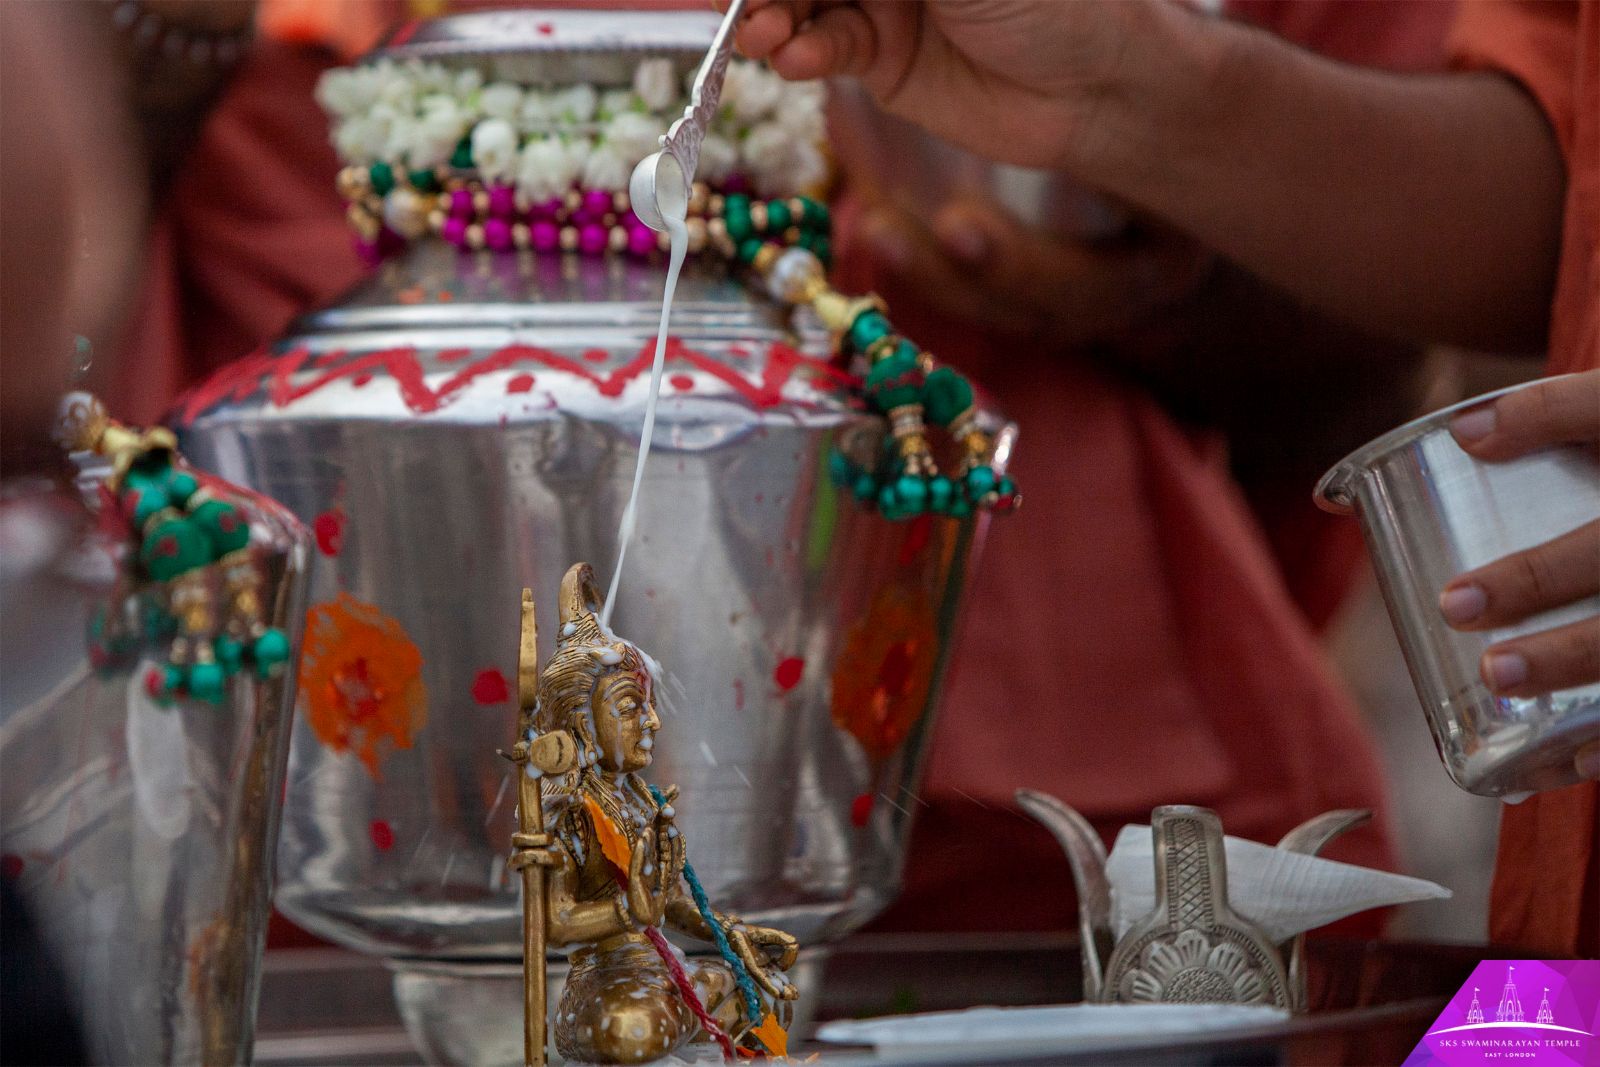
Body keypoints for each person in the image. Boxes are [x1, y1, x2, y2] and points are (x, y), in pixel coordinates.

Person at [733, 0, 1598, 955]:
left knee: (1535, 1029)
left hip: (1115, 854)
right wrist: (1120, 93)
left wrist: (1141, 157)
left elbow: (1536, 240)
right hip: (599, 790)